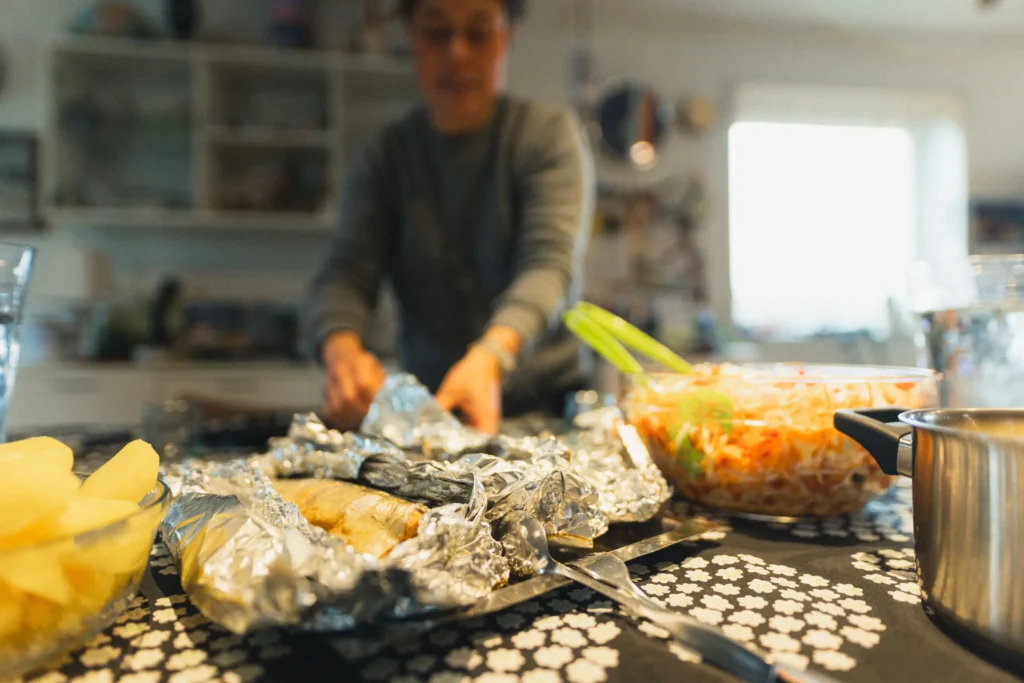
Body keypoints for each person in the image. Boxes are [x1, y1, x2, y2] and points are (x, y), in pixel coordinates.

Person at [303, 0, 594, 435]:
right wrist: (341, 350)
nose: (457, 53)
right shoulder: (386, 157)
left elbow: (549, 265)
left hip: (549, 412)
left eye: (477, 34)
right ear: (411, 36)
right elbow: (346, 273)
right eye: (437, 33)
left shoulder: (545, 136)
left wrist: (491, 358)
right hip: (437, 411)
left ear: (506, 37)